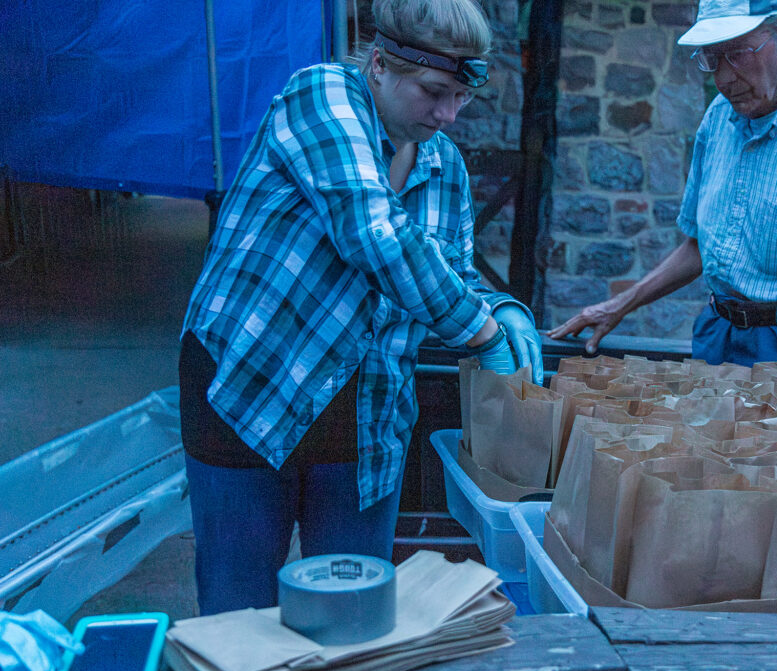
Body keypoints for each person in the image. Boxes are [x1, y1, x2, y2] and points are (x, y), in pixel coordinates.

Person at [178, 0, 543, 615]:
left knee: (354, 611)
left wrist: (502, 309)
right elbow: (371, 233)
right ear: (379, 63)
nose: (447, 115)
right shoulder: (321, 96)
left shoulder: (443, 165)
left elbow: (451, 276)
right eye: (432, 92)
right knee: (236, 608)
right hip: (247, 384)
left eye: (460, 97)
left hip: (366, 412)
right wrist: (483, 335)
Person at [549, 0, 777, 373]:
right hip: (723, 337)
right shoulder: (718, 118)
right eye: (712, 58)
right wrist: (620, 304)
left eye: (738, 54)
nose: (724, 78)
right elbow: (701, 245)